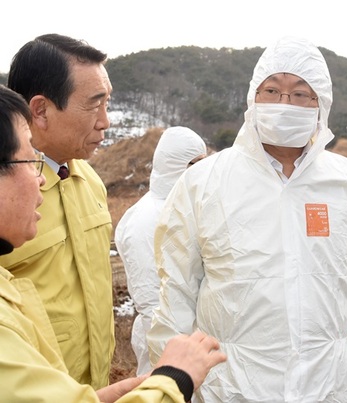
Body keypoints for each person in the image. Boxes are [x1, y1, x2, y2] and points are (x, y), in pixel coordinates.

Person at [147, 36, 347, 402]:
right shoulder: (204, 182)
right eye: (272, 90)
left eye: (301, 94)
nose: (284, 103)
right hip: (233, 385)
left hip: (329, 384)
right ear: (253, 98)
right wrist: (167, 383)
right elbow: (175, 289)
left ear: (322, 105)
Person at [0, 84, 227, 403]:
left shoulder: (88, 182)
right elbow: (153, 300)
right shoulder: (147, 217)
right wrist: (176, 376)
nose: (41, 178)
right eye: (29, 160)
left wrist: (98, 396)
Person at [0, 33, 115, 389]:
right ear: (40, 110)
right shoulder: (8, 198)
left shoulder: (89, 180)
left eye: (107, 104)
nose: (105, 122)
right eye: (93, 105)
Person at [115, 126, 207, 375]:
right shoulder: (145, 220)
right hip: (167, 351)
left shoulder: (186, 207)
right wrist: (172, 365)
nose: (202, 171)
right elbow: (152, 301)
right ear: (175, 166)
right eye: (194, 164)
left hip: (194, 345)